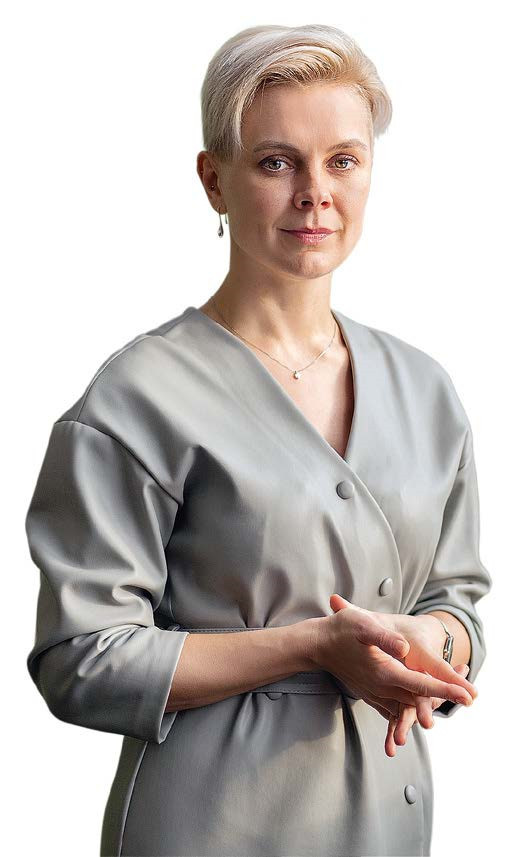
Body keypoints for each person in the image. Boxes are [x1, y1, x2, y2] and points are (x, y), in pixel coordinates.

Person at [25, 24, 492, 857]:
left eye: (343, 160)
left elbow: (458, 607)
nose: (316, 193)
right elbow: (81, 659)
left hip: (386, 826)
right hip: (207, 828)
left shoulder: (426, 391)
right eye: (277, 162)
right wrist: (314, 646)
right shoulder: (137, 398)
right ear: (214, 179)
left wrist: (434, 643)